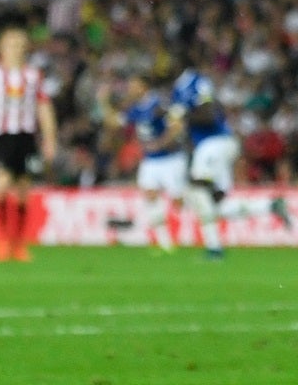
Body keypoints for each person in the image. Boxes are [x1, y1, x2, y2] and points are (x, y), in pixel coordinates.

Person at [170, 68, 289, 259]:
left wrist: (184, 116)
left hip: (214, 143)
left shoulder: (193, 82)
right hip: (214, 146)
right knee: (217, 205)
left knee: (196, 188)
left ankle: (214, 249)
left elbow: (209, 113)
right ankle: (269, 206)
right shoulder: (178, 89)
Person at [0, 23, 57, 262]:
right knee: (1, 185)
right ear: (1, 47)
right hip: (0, 136)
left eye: (20, 44)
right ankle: (2, 238)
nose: (16, 49)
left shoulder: (34, 75)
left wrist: (50, 138)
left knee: (22, 193)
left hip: (25, 137)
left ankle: (18, 243)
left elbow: (44, 106)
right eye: (11, 44)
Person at [120, 76, 187, 252]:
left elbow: (177, 125)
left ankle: (194, 230)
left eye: (134, 86)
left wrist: (161, 143)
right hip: (151, 160)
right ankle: (164, 242)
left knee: (178, 201)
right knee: (149, 194)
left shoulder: (159, 104)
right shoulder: (135, 109)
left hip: (171, 158)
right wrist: (102, 102)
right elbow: (116, 121)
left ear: (144, 87)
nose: (130, 90)